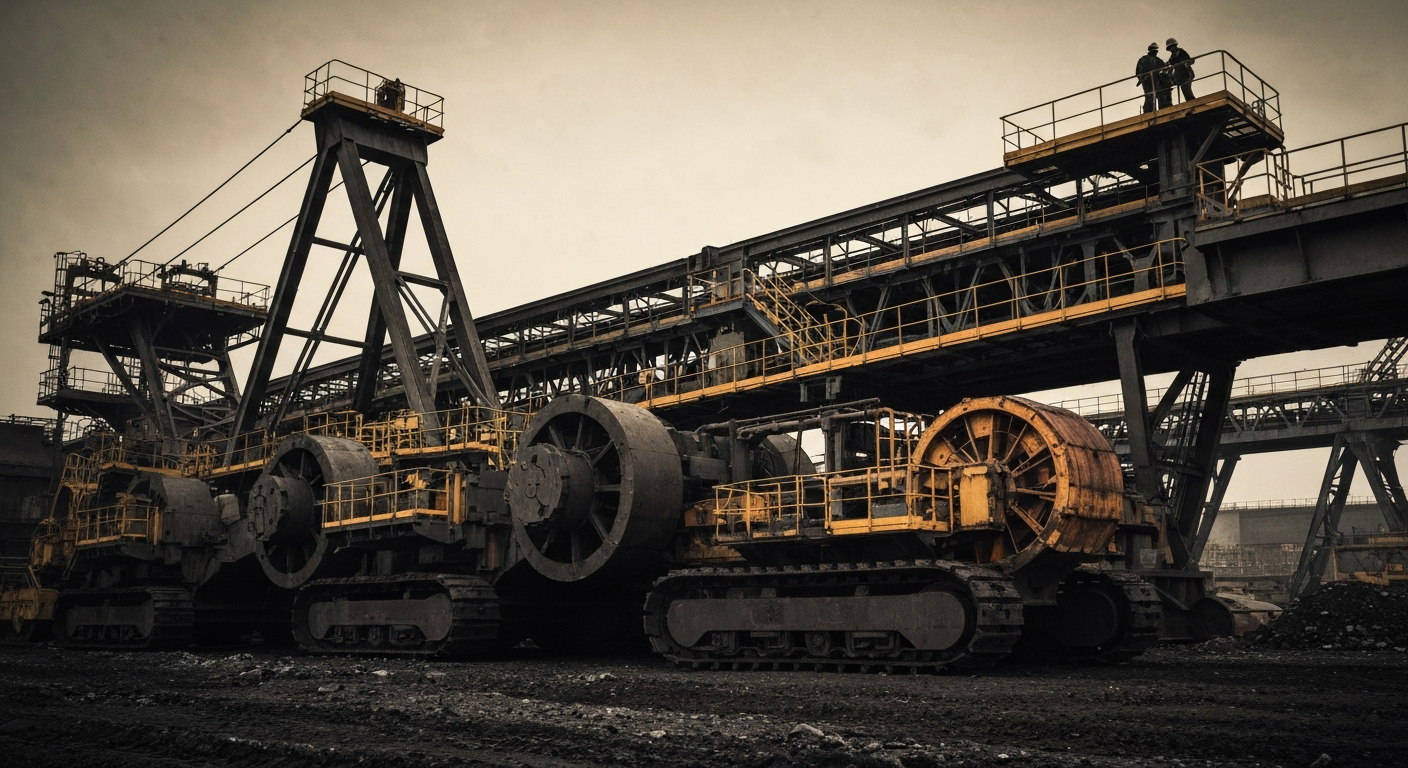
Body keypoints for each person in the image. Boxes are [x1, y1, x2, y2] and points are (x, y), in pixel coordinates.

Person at [1135, 43, 1165, 113]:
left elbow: (1164, 70)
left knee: (1160, 95)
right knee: (1150, 96)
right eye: (1154, 51)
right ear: (1150, 50)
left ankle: (1162, 111)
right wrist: (1142, 79)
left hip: (1157, 81)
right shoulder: (1143, 59)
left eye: (1156, 51)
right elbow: (1138, 72)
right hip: (1147, 81)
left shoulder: (1159, 61)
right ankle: (1149, 112)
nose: (1155, 53)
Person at [1166, 38, 1195, 103]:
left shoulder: (1181, 52)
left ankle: (1192, 103)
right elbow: (1170, 62)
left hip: (1186, 75)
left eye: (1171, 47)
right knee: (1184, 89)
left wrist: (1186, 63)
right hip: (1180, 76)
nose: (1171, 49)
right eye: (1170, 48)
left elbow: (1189, 60)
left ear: (1175, 46)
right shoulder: (1173, 56)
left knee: (1186, 89)